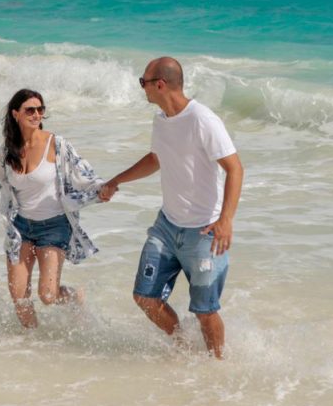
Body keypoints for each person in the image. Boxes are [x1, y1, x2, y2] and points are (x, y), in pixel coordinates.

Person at [99, 57, 243, 358]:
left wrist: (225, 220)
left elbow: (235, 168)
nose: (143, 89)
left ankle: (217, 365)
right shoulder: (162, 120)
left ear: (160, 84)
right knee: (144, 297)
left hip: (204, 231)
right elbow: (156, 159)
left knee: (205, 311)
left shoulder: (203, 120)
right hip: (167, 226)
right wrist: (116, 181)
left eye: (144, 82)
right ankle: (184, 346)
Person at [0, 89, 106, 329]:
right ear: (16, 113)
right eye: (30, 110)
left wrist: (103, 189)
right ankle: (33, 346)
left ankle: (74, 296)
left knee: (48, 296)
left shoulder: (57, 145)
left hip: (54, 227)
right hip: (21, 228)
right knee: (19, 297)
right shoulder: (8, 151)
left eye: (40, 110)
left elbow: (85, 174)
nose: (37, 114)